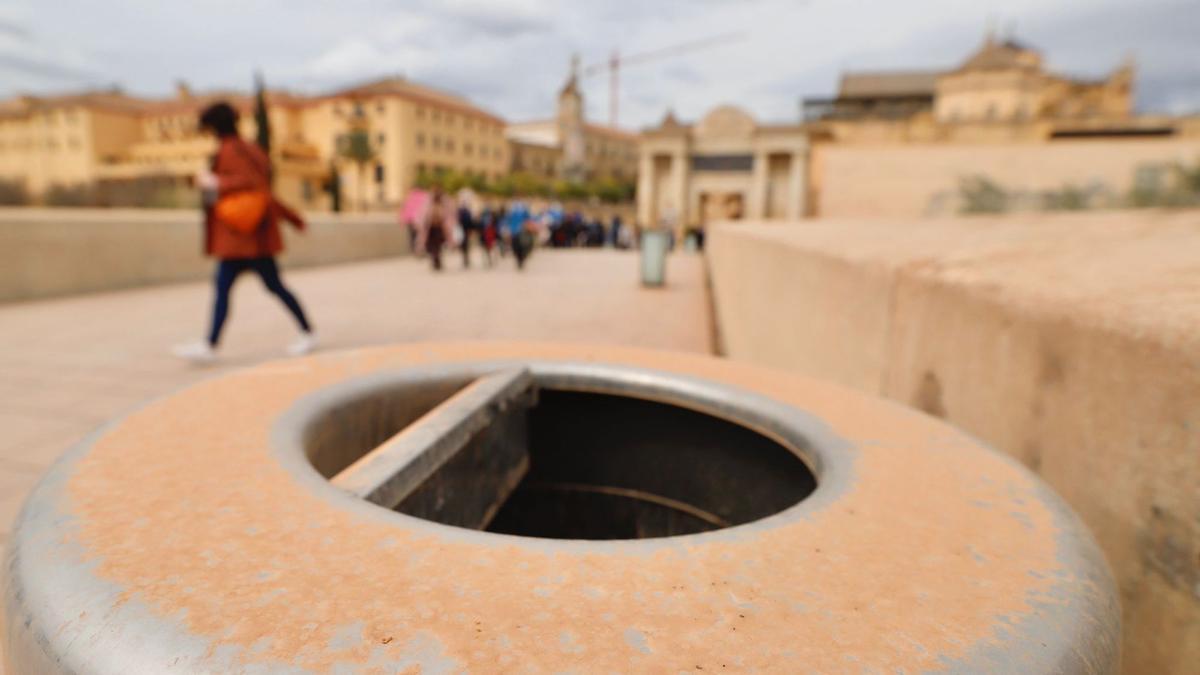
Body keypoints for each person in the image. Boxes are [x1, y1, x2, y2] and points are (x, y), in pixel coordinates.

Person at [172, 102, 315, 364]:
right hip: (248, 237)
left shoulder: (232, 150)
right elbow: (264, 191)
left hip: (244, 237)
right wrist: (294, 219)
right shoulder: (251, 149)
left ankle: (306, 331)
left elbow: (252, 184)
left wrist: (215, 182)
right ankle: (211, 343)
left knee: (267, 287)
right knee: (233, 288)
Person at [416, 188, 456, 271]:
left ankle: (437, 260)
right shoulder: (428, 204)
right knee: (432, 246)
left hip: (440, 229)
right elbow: (422, 216)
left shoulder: (445, 204)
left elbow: (450, 216)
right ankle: (435, 260)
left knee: (438, 246)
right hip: (431, 229)